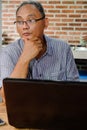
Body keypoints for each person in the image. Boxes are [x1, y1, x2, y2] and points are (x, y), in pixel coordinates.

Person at [0, 0, 79, 101]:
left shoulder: (63, 48)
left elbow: (75, 91)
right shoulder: (8, 53)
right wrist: (24, 58)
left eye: (31, 20)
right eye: (20, 21)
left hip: (57, 111)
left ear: (45, 23)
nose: (24, 26)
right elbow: (7, 96)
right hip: (23, 113)